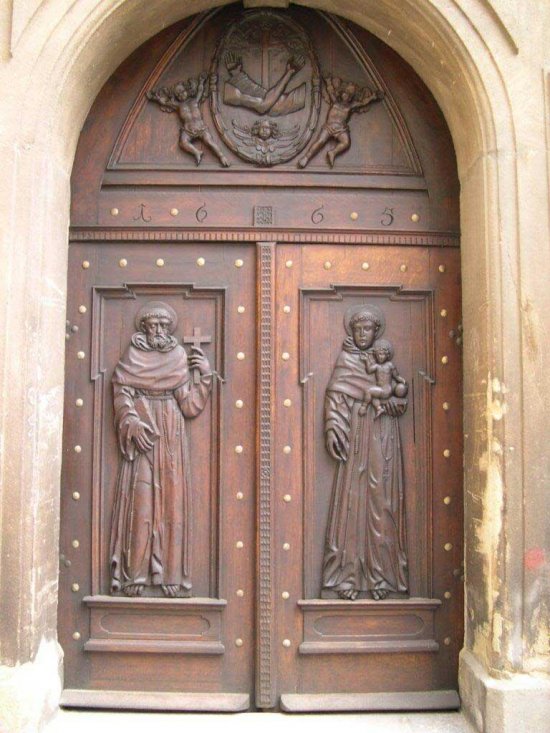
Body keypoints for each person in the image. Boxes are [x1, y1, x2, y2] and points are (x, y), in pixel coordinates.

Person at [109, 301, 212, 598]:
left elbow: (189, 406)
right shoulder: (133, 356)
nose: (158, 331)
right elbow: (122, 392)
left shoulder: (178, 356)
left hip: (170, 434)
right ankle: (136, 573)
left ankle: (170, 572)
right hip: (144, 431)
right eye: (153, 325)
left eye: (163, 326)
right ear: (143, 328)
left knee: (171, 499)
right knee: (140, 501)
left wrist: (204, 376)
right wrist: (131, 422)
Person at [322, 304, 408, 601]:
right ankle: (346, 576)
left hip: (382, 435)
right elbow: (336, 396)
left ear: (376, 332)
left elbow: (398, 395)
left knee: (381, 500)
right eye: (357, 329)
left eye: (367, 329)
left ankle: (382, 576)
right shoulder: (347, 360)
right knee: (352, 501)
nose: (362, 334)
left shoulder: (385, 363)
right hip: (355, 435)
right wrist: (333, 427)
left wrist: (396, 404)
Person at [298, 77, 383, 168]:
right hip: (329, 126)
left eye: (349, 95)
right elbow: (330, 91)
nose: (346, 96)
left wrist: (373, 97)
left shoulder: (350, 106)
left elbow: (363, 103)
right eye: (345, 93)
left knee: (346, 142)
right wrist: (328, 81)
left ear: (350, 98)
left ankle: (332, 152)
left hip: (341, 129)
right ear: (341, 94)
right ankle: (306, 158)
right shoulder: (335, 101)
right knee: (320, 141)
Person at [147, 74, 230, 167]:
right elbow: (165, 102)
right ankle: (197, 152)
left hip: (201, 128)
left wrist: (201, 82)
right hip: (188, 130)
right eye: (178, 95)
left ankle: (222, 157)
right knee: (183, 143)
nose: (181, 95)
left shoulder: (195, 100)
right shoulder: (178, 105)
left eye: (182, 92)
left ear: (187, 90)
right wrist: (155, 98)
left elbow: (200, 91)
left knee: (209, 142)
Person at [362, 338, 407, 418]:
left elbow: (396, 376)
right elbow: (369, 370)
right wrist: (366, 360)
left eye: (383, 354)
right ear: (376, 355)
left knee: (368, 391)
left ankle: (363, 407)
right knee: (374, 397)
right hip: (380, 389)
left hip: (386, 390)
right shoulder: (377, 366)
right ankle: (379, 409)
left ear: (387, 355)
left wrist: (402, 380)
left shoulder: (390, 365)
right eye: (379, 354)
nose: (381, 357)